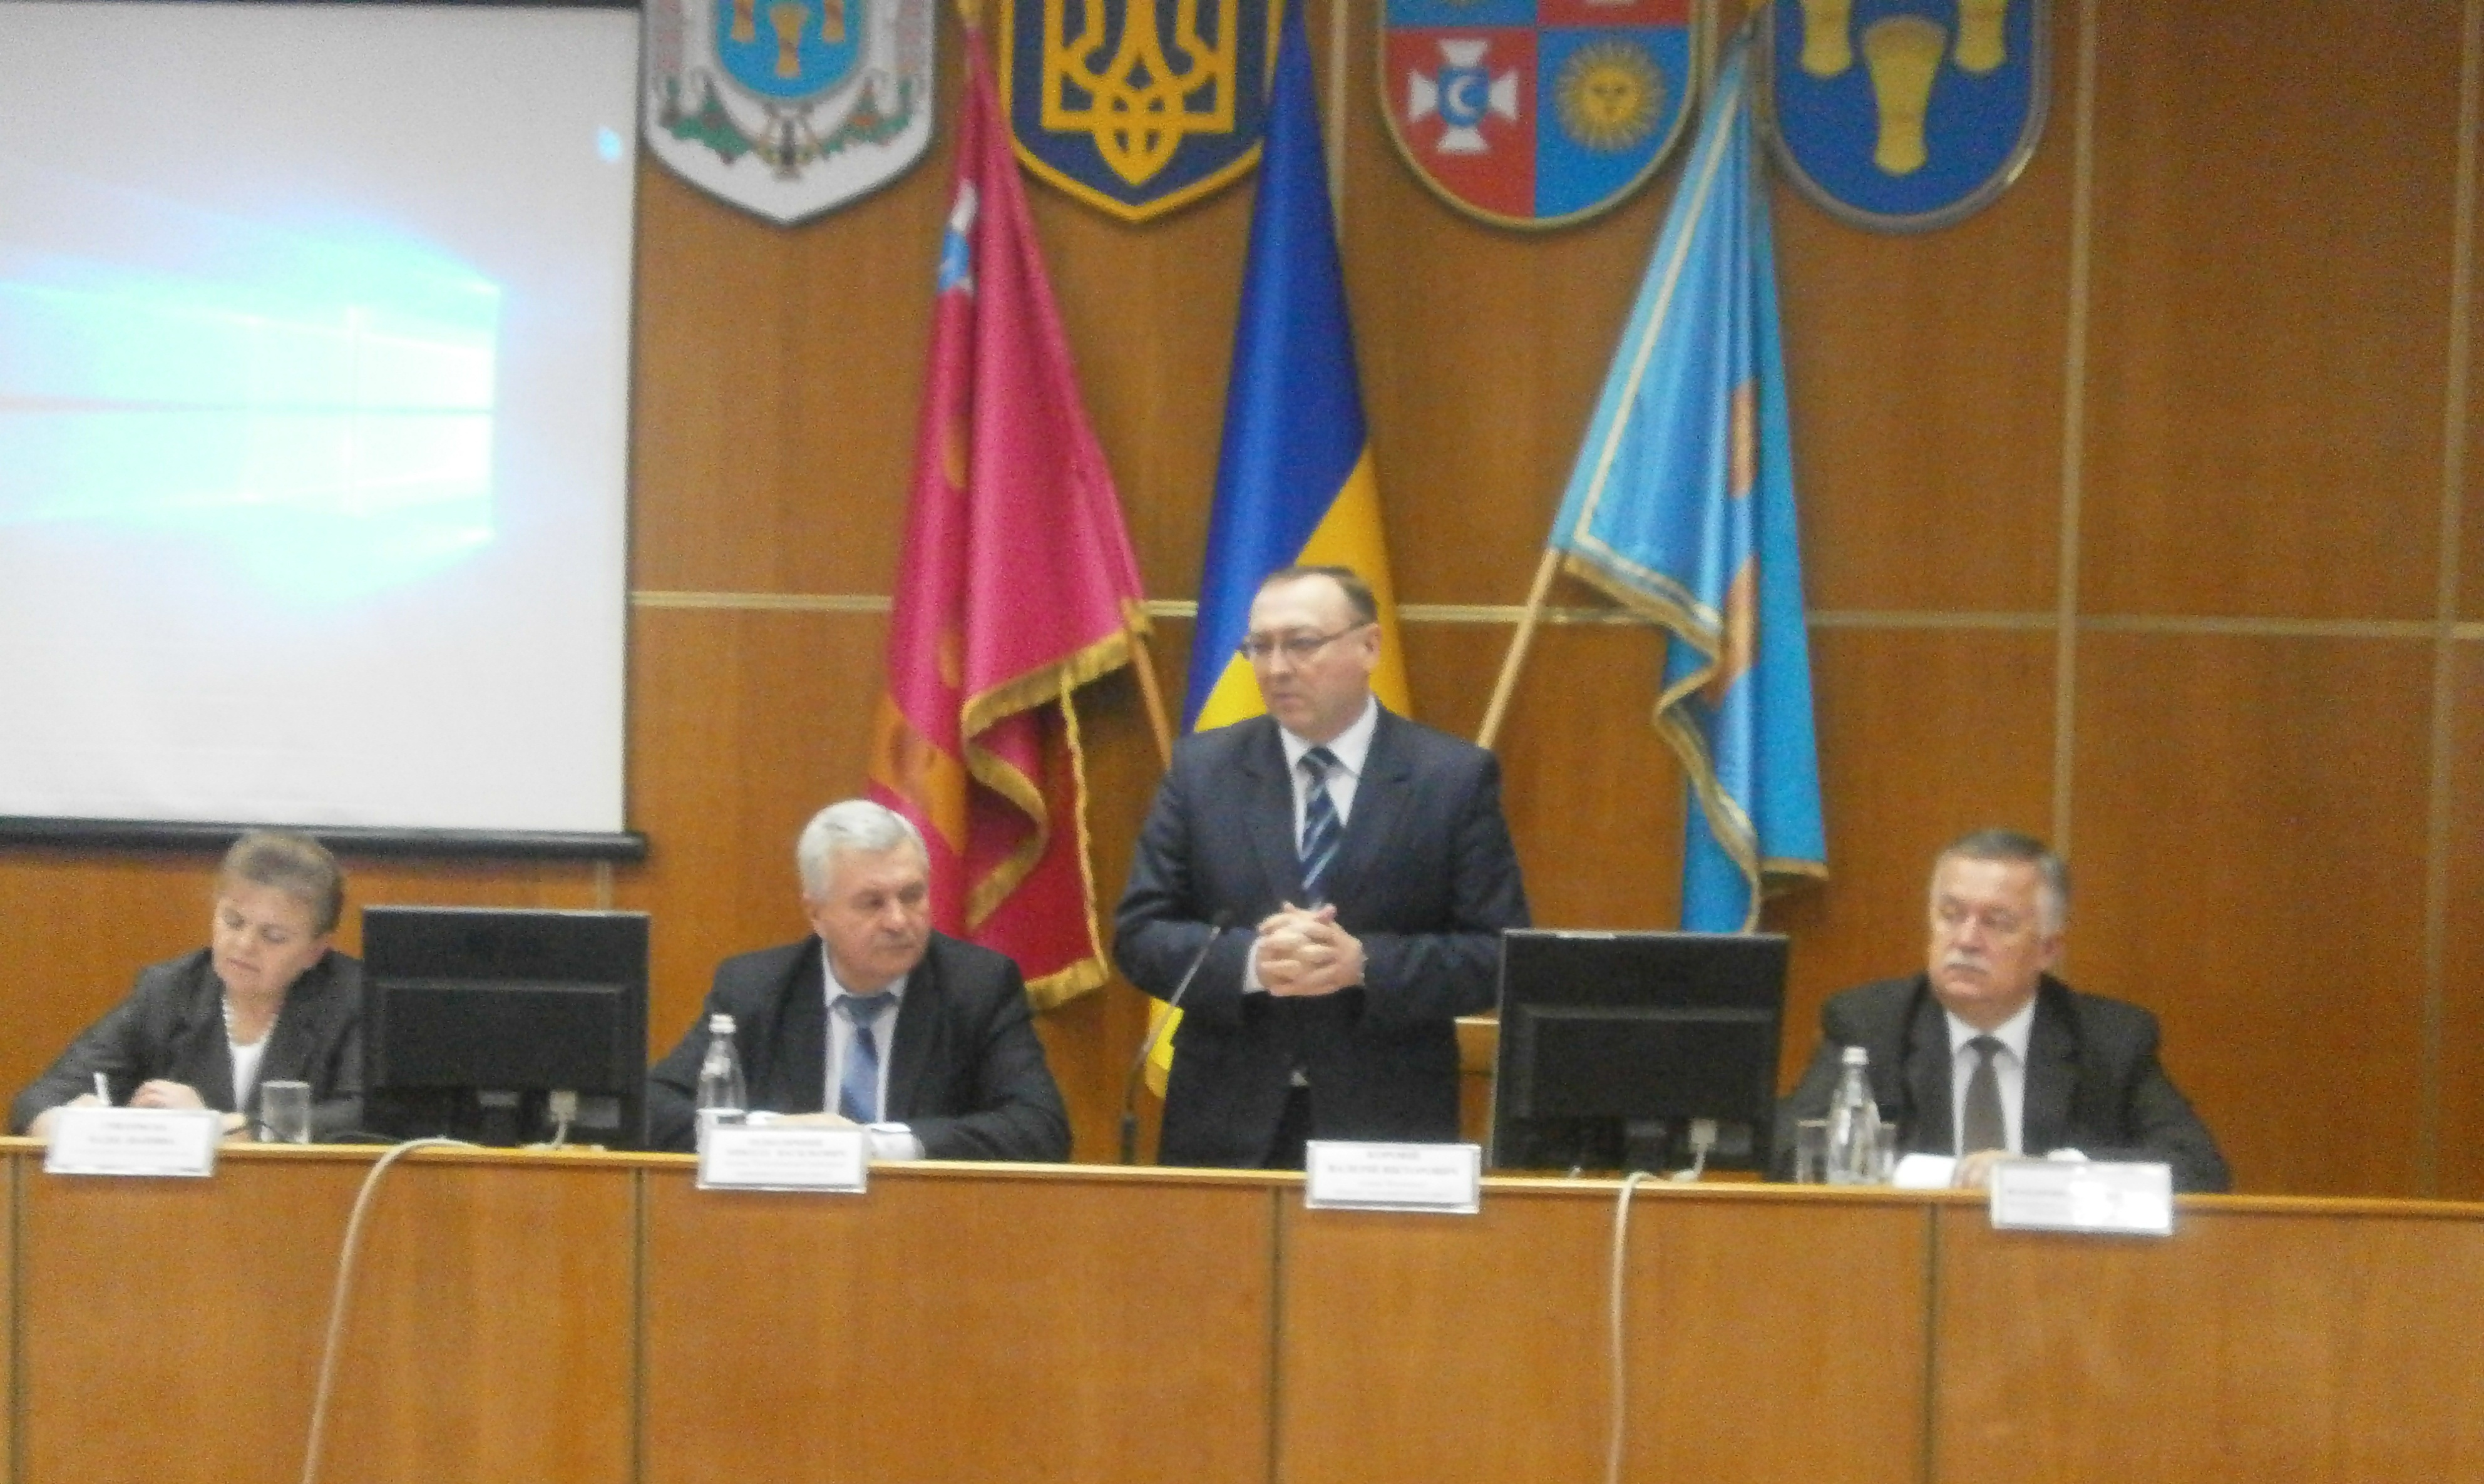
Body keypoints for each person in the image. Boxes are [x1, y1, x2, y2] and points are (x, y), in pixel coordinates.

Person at [1115, 565, 1530, 1168]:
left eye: (1302, 643)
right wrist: (1252, 962)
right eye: (1260, 647)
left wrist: (1365, 963)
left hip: (1387, 1125)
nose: (1277, 667)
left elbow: (1499, 955)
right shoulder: (1202, 771)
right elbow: (1140, 934)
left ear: (1369, 646)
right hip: (1224, 1121)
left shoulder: (1451, 779)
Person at [1776, 828, 2230, 1192]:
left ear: (2048, 949)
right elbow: (1788, 1152)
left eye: (1997, 923)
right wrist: (1955, 1176)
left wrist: (2042, 1176)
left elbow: (2198, 1170)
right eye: (1951, 915)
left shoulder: (2109, 1038)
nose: (1966, 940)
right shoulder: (1870, 1024)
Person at [646, 799, 1070, 1160]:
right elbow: (652, 1109)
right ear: (817, 913)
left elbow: (1040, 1128)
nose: (898, 920)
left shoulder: (977, 986)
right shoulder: (756, 988)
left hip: (927, 1219)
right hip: (786, 1220)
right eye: (872, 903)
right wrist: (775, 1136)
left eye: (912, 895)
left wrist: (874, 1145)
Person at [13, 831, 363, 1142]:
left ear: (315, 950)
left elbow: (366, 1117)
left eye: (273, 936)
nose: (243, 945)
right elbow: (37, 1101)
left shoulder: (353, 998)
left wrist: (215, 1126)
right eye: (233, 921)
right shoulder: (168, 992)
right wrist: (83, 1126)